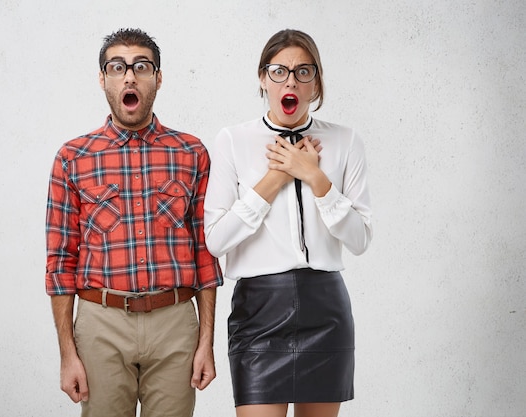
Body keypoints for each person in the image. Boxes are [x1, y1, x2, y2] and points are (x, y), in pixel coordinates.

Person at [45, 28, 223, 417]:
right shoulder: (72, 158)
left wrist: (206, 340)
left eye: (141, 66)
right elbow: (60, 262)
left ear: (157, 78)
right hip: (101, 325)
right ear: (102, 78)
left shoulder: (192, 153)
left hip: (175, 323)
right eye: (117, 67)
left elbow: (206, 253)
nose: (129, 76)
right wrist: (67, 354)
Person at [204, 29, 372, 417]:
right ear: (262, 79)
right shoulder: (233, 140)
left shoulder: (345, 142)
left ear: (316, 83)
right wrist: (276, 178)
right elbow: (216, 240)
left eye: (303, 71)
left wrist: (315, 178)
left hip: (325, 308)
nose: (290, 81)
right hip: (259, 309)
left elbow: (360, 239)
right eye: (279, 71)